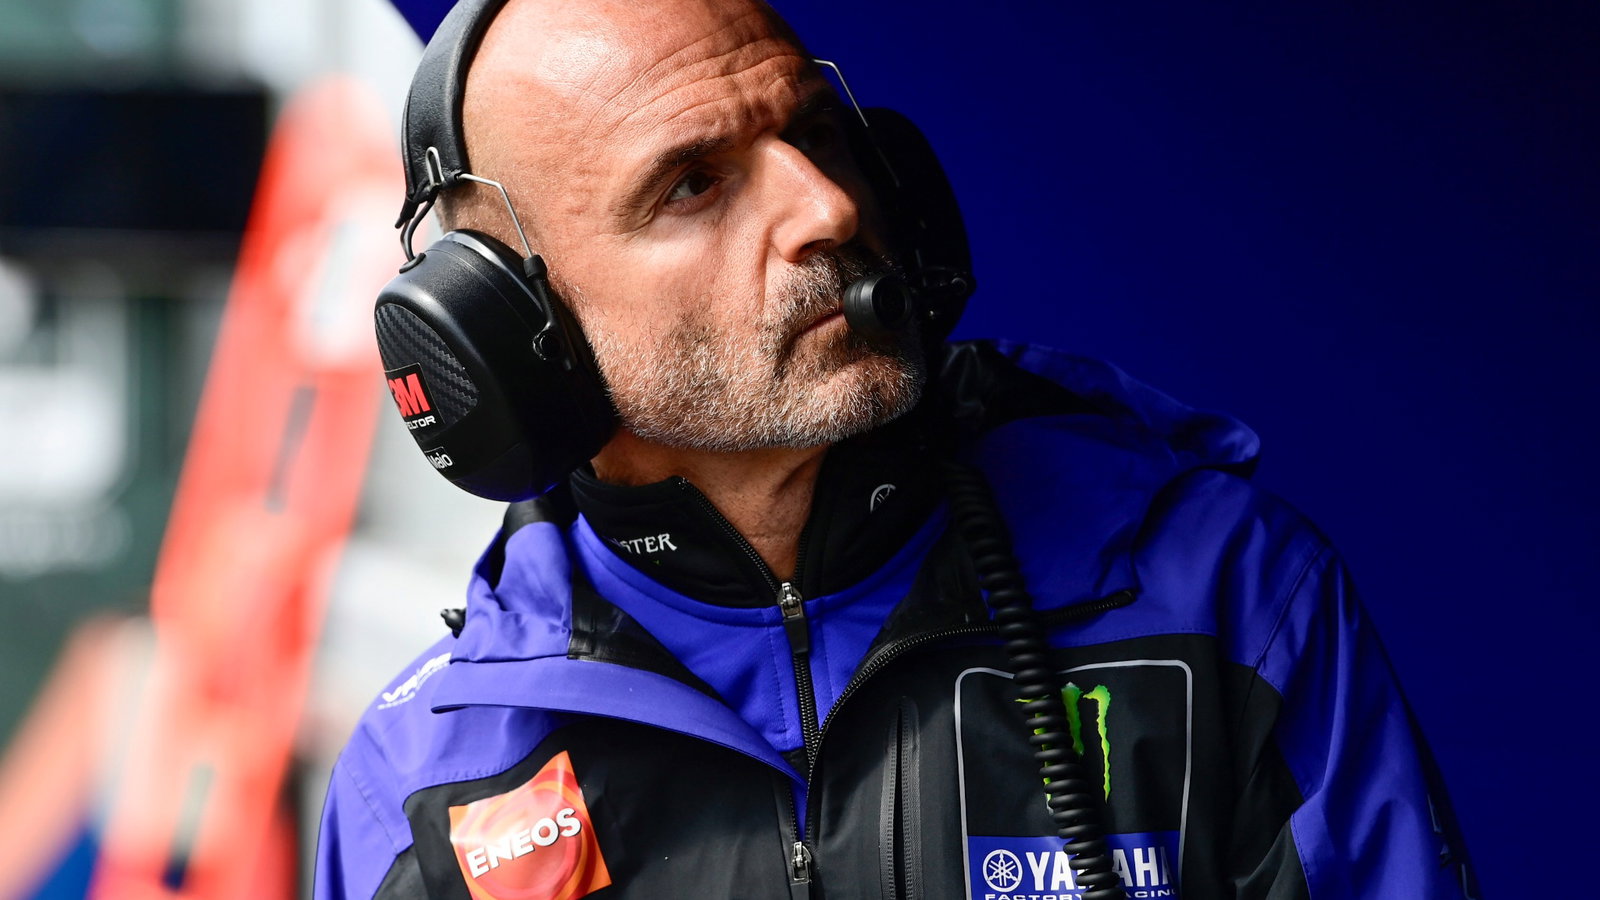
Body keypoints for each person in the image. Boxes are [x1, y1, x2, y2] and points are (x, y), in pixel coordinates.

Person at [316, 0, 1478, 897]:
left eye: (813, 132)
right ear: (514, 338)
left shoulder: (1227, 597)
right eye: (694, 184)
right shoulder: (422, 786)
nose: (825, 207)